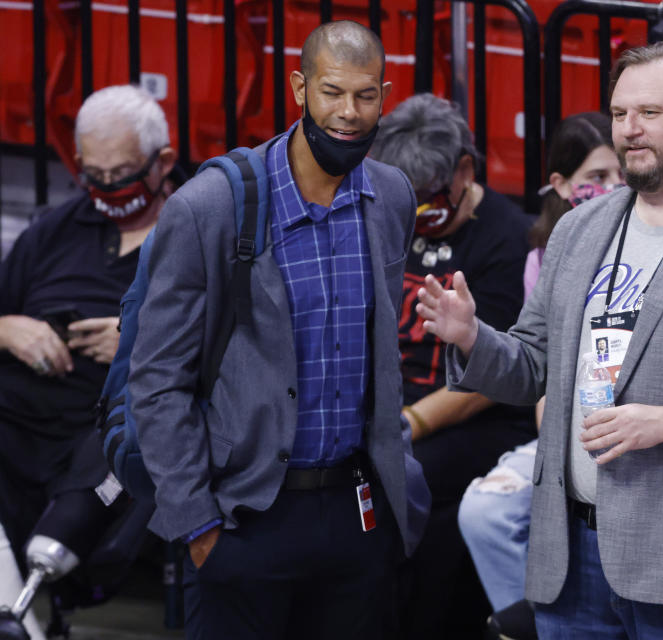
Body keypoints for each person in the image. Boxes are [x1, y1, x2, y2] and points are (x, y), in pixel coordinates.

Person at [417, 41, 663, 638]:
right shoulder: (581, 228)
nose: (628, 130)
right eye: (619, 113)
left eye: (650, 114)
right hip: (571, 549)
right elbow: (534, 364)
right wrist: (473, 338)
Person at [128, 21, 427, 639]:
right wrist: (198, 526)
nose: (349, 113)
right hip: (243, 518)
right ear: (299, 88)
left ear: (385, 95)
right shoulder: (210, 206)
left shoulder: (393, 195)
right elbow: (157, 380)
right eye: (332, 92)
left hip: (354, 514)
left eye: (366, 96)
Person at [0, 84, 178, 639]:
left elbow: (233, 337)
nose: (105, 189)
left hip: (106, 428)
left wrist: (137, 334)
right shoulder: (58, 228)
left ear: (162, 163)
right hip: (17, 414)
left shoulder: (197, 230)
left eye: (119, 174)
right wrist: (7, 329)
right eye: (92, 175)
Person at [368, 93, 536, 638]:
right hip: (388, 406)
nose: (416, 210)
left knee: (417, 472)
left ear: (465, 170)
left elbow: (498, 372)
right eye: (404, 196)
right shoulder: (382, 219)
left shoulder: (508, 238)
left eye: (427, 197)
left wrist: (408, 425)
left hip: (474, 415)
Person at [457, 111, 623, 616]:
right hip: (560, 430)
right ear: (561, 185)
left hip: (629, 431)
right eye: (596, 178)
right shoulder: (545, 255)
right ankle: (527, 621)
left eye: (619, 174)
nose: (613, 187)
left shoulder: (647, 241)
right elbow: (541, 364)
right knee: (483, 511)